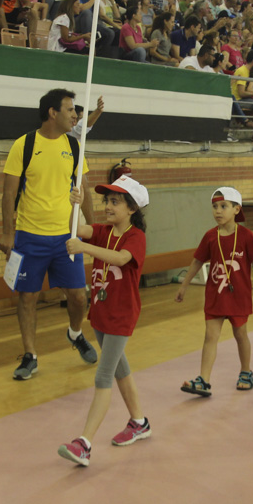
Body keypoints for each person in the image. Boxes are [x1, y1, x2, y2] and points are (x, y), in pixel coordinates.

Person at [0, 88, 99, 383]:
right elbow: (8, 193)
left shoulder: (75, 147)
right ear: (53, 113)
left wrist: (94, 228)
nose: (76, 116)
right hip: (29, 237)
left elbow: (86, 189)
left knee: (79, 297)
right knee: (28, 297)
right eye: (70, 110)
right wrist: (7, 232)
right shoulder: (24, 145)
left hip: (66, 237)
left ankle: (75, 332)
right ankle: (30, 355)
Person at [58, 175, 150, 467]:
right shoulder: (103, 231)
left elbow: (122, 259)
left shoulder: (135, 237)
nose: (108, 207)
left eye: (115, 202)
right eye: (106, 201)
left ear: (132, 208)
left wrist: (84, 248)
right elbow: (74, 228)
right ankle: (139, 422)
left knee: (103, 375)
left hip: (121, 315)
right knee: (121, 370)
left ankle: (84, 443)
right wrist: (72, 203)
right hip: (100, 313)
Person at [175, 187, 253, 396]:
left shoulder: (246, 236)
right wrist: (184, 284)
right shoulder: (210, 236)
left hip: (238, 297)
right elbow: (197, 261)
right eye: (214, 207)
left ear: (236, 209)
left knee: (240, 335)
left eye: (223, 206)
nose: (218, 211)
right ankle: (203, 380)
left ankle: (246, 372)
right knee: (210, 336)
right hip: (215, 296)